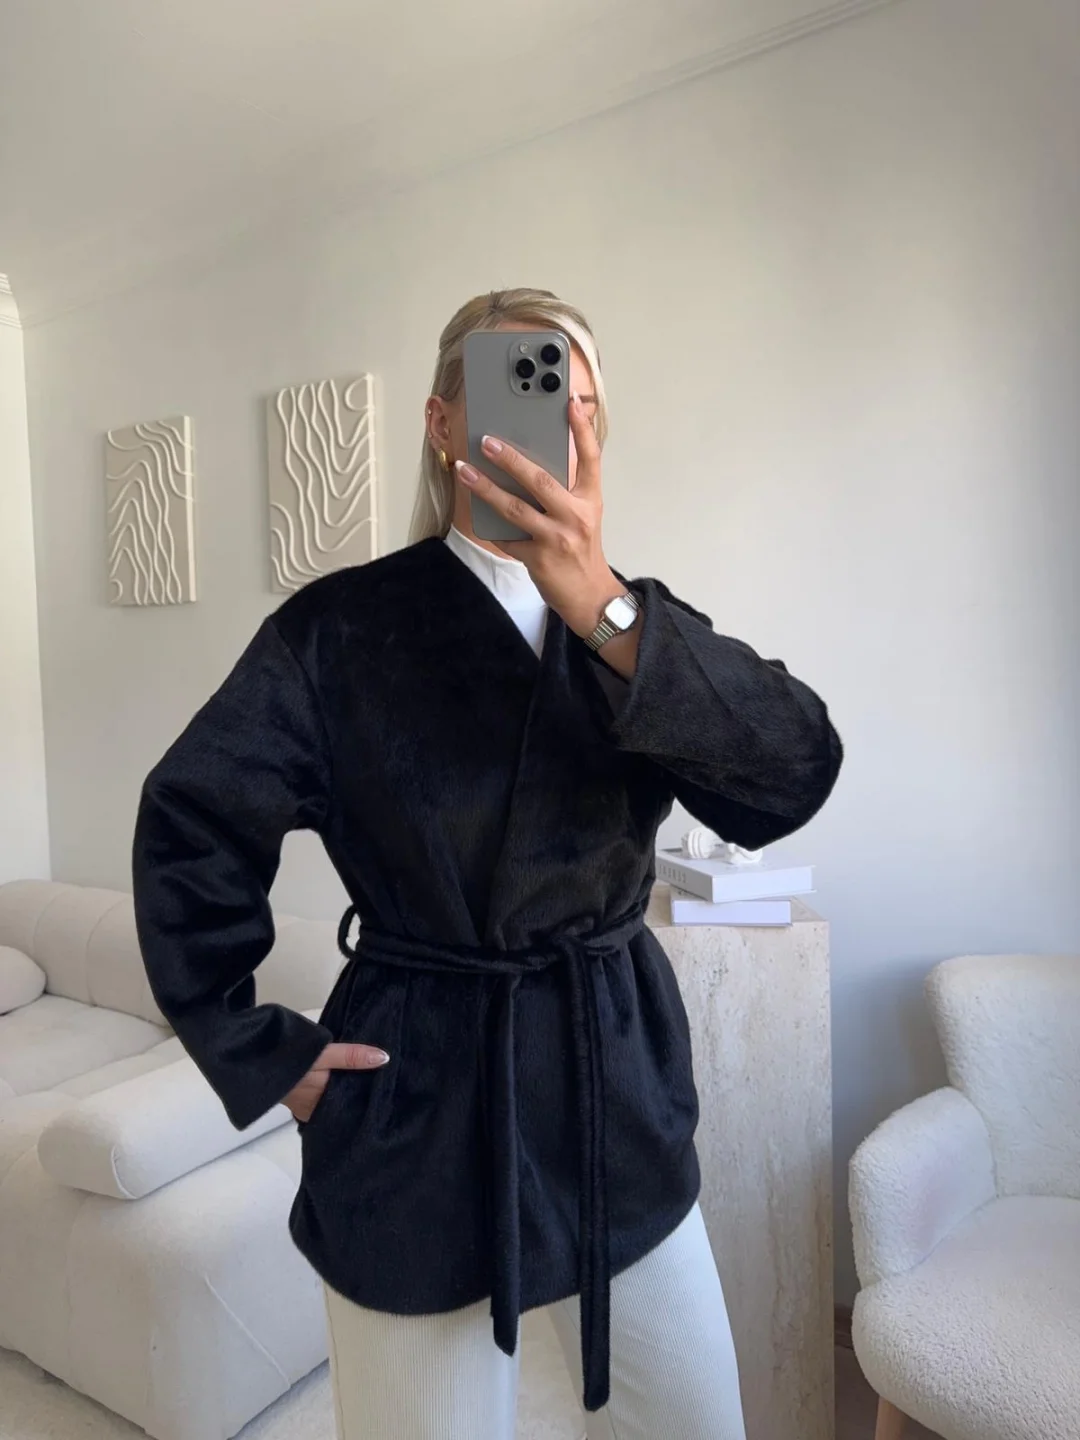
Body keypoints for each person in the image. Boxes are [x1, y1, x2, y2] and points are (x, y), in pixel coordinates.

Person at [131, 287, 843, 1440]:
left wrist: (602, 606)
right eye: (523, 386)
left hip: (612, 1088)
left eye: (577, 400)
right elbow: (191, 822)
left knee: (698, 1419)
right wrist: (253, 1045)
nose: (553, 419)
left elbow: (793, 771)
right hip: (417, 1094)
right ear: (443, 422)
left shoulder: (636, 630)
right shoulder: (337, 632)